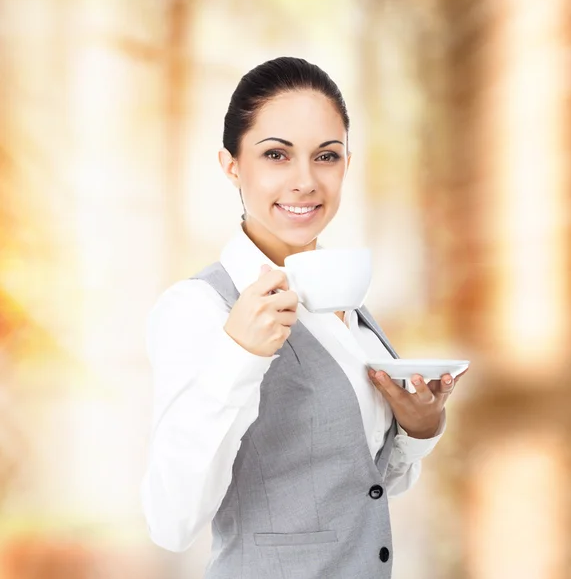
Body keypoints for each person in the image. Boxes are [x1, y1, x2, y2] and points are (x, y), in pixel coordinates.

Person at [140, 56, 465, 578]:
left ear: (346, 165)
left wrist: (418, 428)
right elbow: (170, 521)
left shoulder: (346, 303)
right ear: (231, 166)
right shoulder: (199, 309)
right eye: (276, 154)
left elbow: (366, 488)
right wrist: (238, 358)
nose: (305, 181)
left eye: (326, 156)